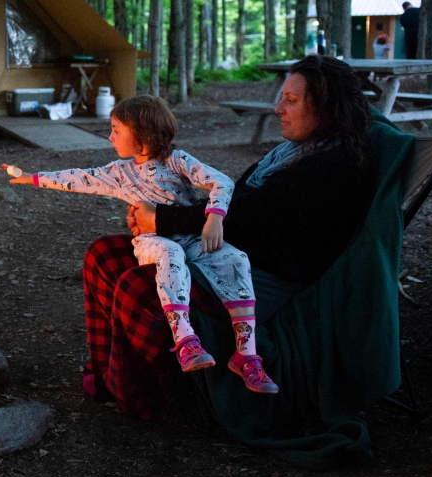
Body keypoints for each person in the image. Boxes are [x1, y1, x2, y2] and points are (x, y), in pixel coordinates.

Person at [83, 55, 373, 417]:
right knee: (104, 254)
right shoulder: (291, 153)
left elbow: (247, 220)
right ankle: (108, 372)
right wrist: (161, 212)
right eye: (282, 97)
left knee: (137, 285)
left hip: (258, 275)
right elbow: (237, 206)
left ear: (328, 108)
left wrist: (163, 220)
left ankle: (148, 399)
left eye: (292, 101)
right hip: (221, 250)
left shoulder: (331, 167)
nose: (278, 108)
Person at [8, 96, 278, 394]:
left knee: (235, 258)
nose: (109, 136)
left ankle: (247, 354)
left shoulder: (177, 161)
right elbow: (79, 178)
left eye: (116, 129)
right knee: (169, 252)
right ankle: (185, 339)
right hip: (152, 241)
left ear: (143, 134)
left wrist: (214, 217)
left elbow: (222, 182)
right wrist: (32, 178)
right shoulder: (120, 173)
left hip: (191, 238)